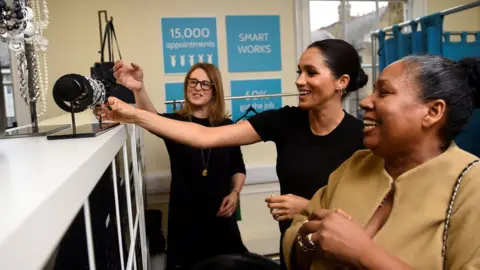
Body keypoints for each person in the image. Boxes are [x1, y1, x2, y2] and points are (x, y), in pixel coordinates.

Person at [96, 39, 368, 268]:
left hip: (338, 257)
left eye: (311, 72)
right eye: (298, 71)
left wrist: (308, 208)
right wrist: (133, 114)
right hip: (293, 248)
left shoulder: (362, 138)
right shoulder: (284, 122)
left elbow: (371, 213)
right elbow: (203, 137)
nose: (299, 81)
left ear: (341, 82)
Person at [282, 55, 480, 270]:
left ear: (433, 112)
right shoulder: (357, 164)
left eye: (384, 92)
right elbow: (298, 234)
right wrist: (308, 239)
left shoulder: (471, 184)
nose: (365, 101)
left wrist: (363, 253)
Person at [111, 61, 248, 270]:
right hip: (186, 219)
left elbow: (237, 166)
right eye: (192, 82)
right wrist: (139, 89)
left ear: (215, 90)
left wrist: (235, 193)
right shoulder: (176, 123)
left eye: (204, 83)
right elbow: (150, 119)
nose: (197, 87)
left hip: (220, 217)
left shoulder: (226, 126)